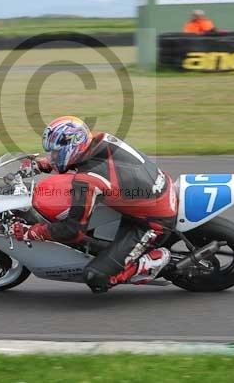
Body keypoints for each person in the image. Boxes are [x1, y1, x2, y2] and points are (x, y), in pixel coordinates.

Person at [11, 116, 177, 293]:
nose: (52, 157)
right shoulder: (102, 139)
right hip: (158, 189)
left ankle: (155, 261)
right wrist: (41, 165)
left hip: (151, 221)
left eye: (55, 153)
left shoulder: (88, 181)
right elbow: (83, 162)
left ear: (72, 147)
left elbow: (72, 231)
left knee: (96, 277)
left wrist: (32, 231)